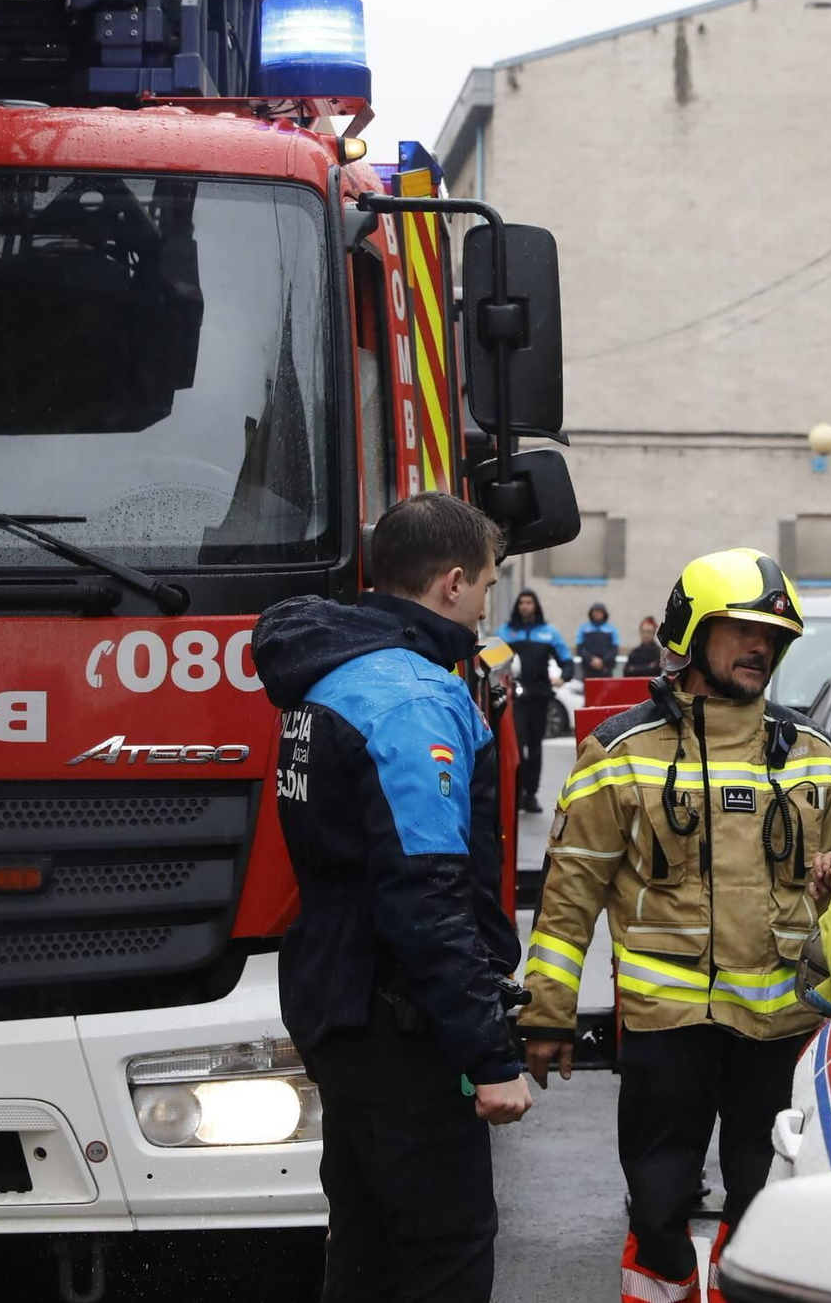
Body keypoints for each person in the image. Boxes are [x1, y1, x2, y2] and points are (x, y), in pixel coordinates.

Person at [518, 548, 831, 1303]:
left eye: (771, 637)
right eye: (741, 630)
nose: (759, 648)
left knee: (768, 1203)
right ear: (690, 632)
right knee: (661, 1205)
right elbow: (570, 894)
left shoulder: (816, 756)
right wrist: (547, 1009)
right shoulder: (619, 752)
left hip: (779, 1031)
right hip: (667, 1030)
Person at [252, 492, 533, 1303]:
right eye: (485, 584)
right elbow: (428, 894)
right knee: (444, 1250)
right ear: (451, 582)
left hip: (339, 1006)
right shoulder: (414, 697)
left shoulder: (331, 674)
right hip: (401, 1025)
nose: (486, 604)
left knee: (368, 1247)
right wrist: (489, 1054)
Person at [498, 589, 572, 813]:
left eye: (529, 602)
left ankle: (531, 794)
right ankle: (516, 792)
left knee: (535, 746)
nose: (525, 606)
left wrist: (563, 678)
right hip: (516, 698)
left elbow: (567, 661)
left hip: (540, 697)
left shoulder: (549, 633)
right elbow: (490, 660)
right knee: (517, 744)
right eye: (522, 602)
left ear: (536, 605)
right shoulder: (506, 632)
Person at [575, 602, 621, 681]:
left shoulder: (611, 629)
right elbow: (580, 649)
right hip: (588, 668)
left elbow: (614, 649)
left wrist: (603, 661)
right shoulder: (584, 628)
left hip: (606, 668)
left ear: (604, 614)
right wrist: (591, 659)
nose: (597, 614)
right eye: (595, 612)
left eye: (599, 612)